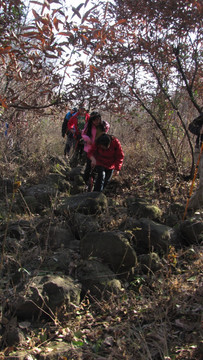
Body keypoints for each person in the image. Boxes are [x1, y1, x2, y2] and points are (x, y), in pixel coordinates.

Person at [82, 111, 110, 185]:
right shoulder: (89, 125)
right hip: (89, 148)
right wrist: (88, 140)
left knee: (97, 166)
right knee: (89, 165)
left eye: (98, 120)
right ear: (92, 120)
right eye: (95, 120)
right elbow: (83, 134)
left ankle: (92, 181)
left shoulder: (103, 125)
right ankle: (84, 182)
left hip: (98, 148)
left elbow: (107, 128)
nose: (97, 122)